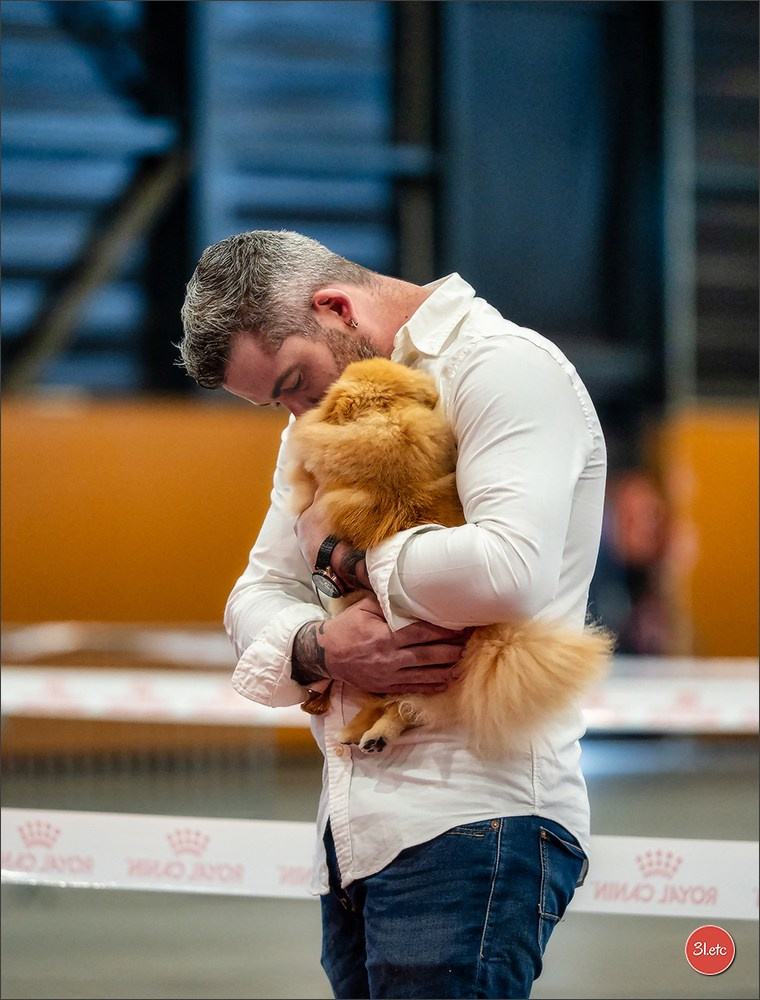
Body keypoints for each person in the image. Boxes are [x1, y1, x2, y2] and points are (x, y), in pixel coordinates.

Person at [178, 230, 607, 1000]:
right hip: (354, 831)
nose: (298, 413)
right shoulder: (318, 416)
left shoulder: (503, 367)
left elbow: (508, 571)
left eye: (295, 383)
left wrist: (343, 560)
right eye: (278, 403)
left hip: (475, 813)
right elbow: (251, 598)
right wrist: (321, 647)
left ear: (335, 307)